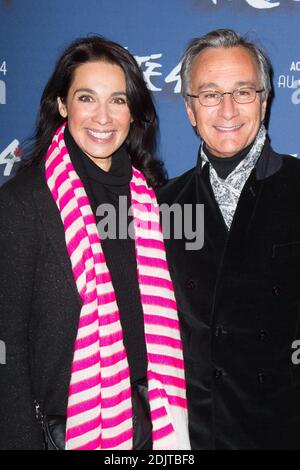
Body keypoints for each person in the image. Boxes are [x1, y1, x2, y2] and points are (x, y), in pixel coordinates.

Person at [0, 36, 190, 450]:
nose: (103, 117)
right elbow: (7, 344)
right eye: (87, 98)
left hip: (150, 422)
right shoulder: (23, 202)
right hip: (64, 431)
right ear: (63, 105)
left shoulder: (151, 199)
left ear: (134, 111)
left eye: (118, 101)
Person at [158, 29, 300, 449]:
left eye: (242, 91)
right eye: (209, 94)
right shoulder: (161, 206)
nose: (226, 109)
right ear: (188, 109)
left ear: (265, 99)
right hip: (199, 434)